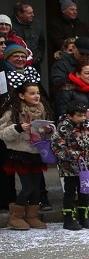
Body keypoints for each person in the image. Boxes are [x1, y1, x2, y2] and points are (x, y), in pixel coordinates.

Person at [0, 82, 54, 229]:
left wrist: (48, 130)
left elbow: (47, 133)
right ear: (21, 95)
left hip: (36, 153)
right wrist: (17, 128)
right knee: (27, 187)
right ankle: (15, 217)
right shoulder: (13, 111)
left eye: (37, 93)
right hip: (19, 154)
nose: (36, 96)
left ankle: (31, 216)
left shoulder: (42, 109)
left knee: (37, 188)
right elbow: (2, 133)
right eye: (32, 93)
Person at [52, 102, 89, 230]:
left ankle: (84, 216)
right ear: (69, 116)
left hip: (86, 167)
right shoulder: (63, 129)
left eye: (84, 115)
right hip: (69, 167)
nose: (83, 118)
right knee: (70, 192)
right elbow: (58, 148)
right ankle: (68, 218)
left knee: (84, 192)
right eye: (79, 116)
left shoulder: (87, 126)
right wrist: (76, 155)